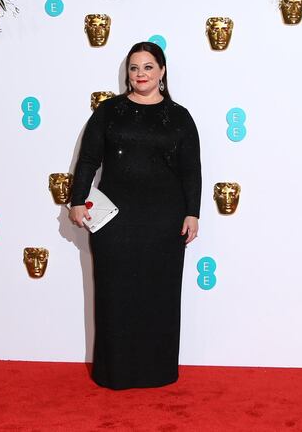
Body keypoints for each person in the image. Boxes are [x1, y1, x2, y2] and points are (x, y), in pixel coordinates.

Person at [69, 41, 202, 390]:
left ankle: (158, 371)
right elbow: (88, 160)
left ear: (162, 71)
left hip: (164, 221)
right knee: (115, 294)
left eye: (147, 67)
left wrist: (193, 212)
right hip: (115, 221)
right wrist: (77, 200)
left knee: (160, 295)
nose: (140, 74)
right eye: (134, 67)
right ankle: (115, 372)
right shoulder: (109, 111)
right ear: (127, 73)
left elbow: (191, 170)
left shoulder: (180, 117)